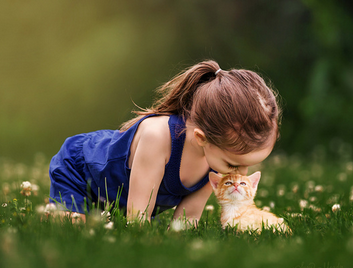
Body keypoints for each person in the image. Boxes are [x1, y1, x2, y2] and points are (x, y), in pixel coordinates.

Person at [49, 60, 281, 224]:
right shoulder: (157, 137)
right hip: (81, 171)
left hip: (113, 198)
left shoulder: (215, 157)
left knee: (101, 220)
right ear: (202, 138)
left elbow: (188, 218)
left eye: (247, 165)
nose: (241, 174)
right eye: (234, 165)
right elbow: (137, 216)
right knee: (72, 226)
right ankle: (53, 211)